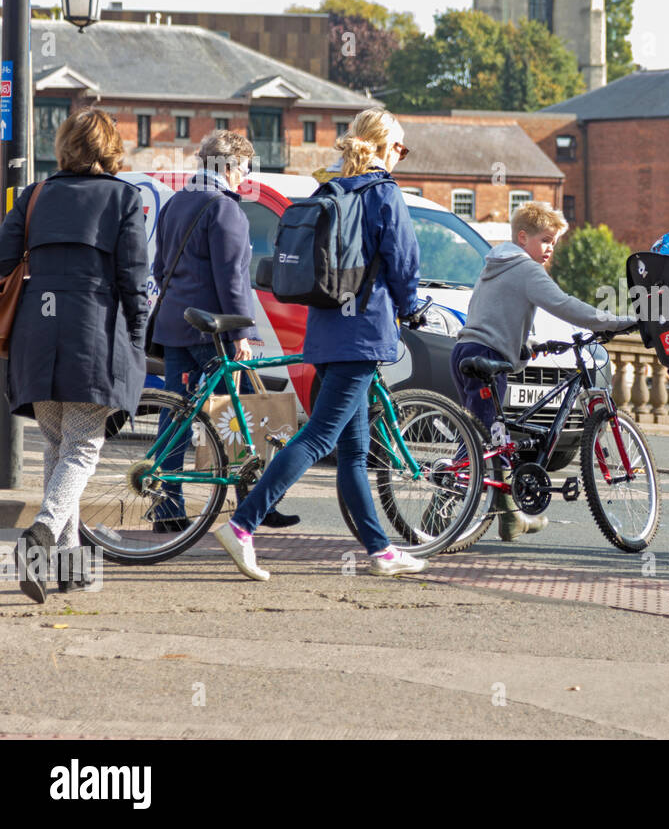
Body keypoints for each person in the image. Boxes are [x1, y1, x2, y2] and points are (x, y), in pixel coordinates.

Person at [212, 108, 427, 580]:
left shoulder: (329, 189)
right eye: (400, 147)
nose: (401, 156)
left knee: (353, 449)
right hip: (362, 335)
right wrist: (412, 307)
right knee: (320, 438)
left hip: (326, 331)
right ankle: (243, 524)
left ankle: (379, 551)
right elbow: (404, 262)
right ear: (384, 147)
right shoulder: (384, 194)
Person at [1, 108, 149, 602]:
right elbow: (133, 281)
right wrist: (139, 338)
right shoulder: (124, 198)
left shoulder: (34, 195)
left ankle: (68, 567)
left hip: (35, 335)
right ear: (110, 149)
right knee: (83, 447)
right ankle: (42, 534)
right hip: (94, 334)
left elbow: (4, 262)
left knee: (58, 446)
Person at [452, 201, 637, 541]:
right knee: (489, 442)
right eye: (546, 239)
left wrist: (524, 347)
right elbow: (564, 305)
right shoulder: (527, 270)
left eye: (555, 241)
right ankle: (448, 516)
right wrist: (616, 320)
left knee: (484, 436)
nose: (551, 248)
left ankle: (506, 517)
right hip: (487, 355)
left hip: (468, 351)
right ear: (523, 237)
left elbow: (491, 312)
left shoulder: (495, 264)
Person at [150, 130, 298, 531]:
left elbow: (159, 268)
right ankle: (257, 504)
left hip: (175, 327)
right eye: (245, 169)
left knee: (176, 418)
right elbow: (232, 278)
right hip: (213, 332)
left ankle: (166, 510)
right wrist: (240, 337)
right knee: (250, 412)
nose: (244, 178)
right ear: (230, 166)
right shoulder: (225, 209)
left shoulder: (176, 201)